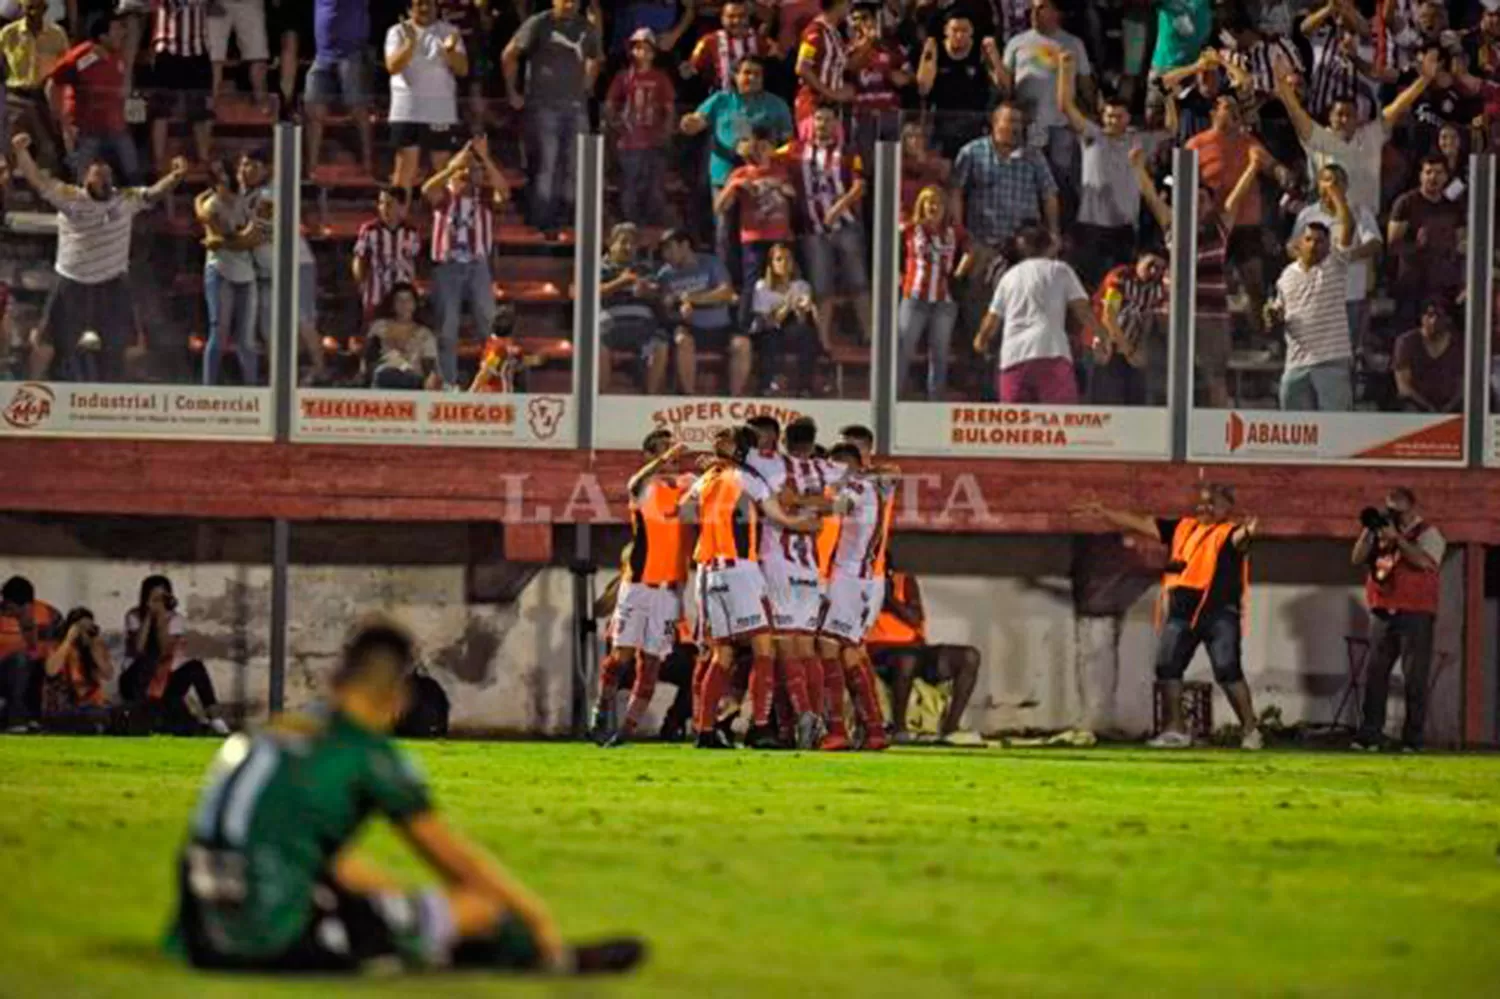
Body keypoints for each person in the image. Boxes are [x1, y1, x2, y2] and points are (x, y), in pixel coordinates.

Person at [168, 614, 645, 975]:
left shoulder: (269, 732)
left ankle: (415, 938)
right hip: (267, 940)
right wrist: (537, 918)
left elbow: (314, 855)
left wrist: (390, 895)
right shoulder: (367, 753)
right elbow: (456, 861)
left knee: (385, 900)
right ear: (398, 696)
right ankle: (549, 960)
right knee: (478, 911)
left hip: (195, 932)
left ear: (338, 679)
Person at [1077, 485, 1263, 750]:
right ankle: (1175, 730)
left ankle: (1250, 730)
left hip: (1219, 614)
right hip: (1181, 613)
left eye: (1213, 504)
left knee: (1227, 670)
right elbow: (1142, 524)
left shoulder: (1228, 532)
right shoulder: (1182, 527)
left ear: (1226, 508)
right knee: (1168, 668)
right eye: (1202, 503)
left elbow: (1241, 540)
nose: (1205, 509)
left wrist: (1249, 532)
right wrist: (1104, 512)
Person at [8, 132, 187, 382]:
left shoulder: (124, 199)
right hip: (72, 281)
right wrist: (21, 152)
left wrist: (175, 176)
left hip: (112, 282)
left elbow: (154, 194)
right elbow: (38, 180)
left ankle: (122, 399)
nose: (104, 180)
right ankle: (30, 394)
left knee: (130, 347)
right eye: (98, 176)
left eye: (107, 176)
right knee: (45, 344)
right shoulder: (70, 197)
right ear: (86, 179)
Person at [680, 424, 817, 750]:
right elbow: (780, 517)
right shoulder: (747, 478)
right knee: (764, 646)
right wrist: (806, 522)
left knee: (722, 652)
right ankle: (759, 728)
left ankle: (705, 729)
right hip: (739, 569)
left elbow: (684, 511)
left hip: (709, 572)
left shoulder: (709, 477)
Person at [1131, 143, 1264, 409]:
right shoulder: (1172, 225)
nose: (1198, 203)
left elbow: (1236, 198)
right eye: (1194, 198)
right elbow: (1151, 197)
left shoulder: (1219, 229)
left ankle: (1217, 431)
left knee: (1215, 378)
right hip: (1171, 315)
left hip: (1210, 316)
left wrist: (1253, 166)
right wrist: (1137, 167)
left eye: (1203, 199)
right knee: (1167, 379)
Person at [594, 432, 690, 746]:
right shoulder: (644, 487)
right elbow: (632, 483)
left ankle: (626, 731)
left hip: (668, 591)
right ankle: (601, 712)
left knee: (651, 662)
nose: (671, 456)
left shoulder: (688, 485)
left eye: (673, 450)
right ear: (649, 454)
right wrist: (661, 463)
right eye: (663, 450)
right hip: (638, 585)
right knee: (621, 656)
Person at [753, 416, 834, 748]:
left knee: (786, 645)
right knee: (806, 646)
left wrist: (792, 503)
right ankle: (815, 719)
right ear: (814, 443)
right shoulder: (822, 469)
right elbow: (831, 505)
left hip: (779, 563)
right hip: (810, 567)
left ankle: (803, 717)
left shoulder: (772, 467)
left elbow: (777, 501)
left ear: (784, 442)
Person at [950, 103, 1060, 348]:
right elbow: (956, 191)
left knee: (1022, 307)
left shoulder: (1034, 156)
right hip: (983, 243)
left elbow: (1049, 195)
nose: (1014, 128)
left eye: (1018, 123)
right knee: (979, 304)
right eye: (1009, 121)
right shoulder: (971, 152)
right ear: (994, 122)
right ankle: (980, 360)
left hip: (1023, 248)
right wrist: (959, 233)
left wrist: (1053, 233)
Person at [1279, 48, 1439, 215]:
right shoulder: (1319, 137)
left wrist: (1424, 80)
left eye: (1349, 115)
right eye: (1339, 114)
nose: (1344, 120)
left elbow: (1398, 106)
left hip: (1365, 221)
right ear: (1330, 117)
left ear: (1357, 118)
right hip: (1327, 222)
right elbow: (1296, 113)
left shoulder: (1372, 135)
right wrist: (1282, 86)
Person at [1350, 488, 1444, 752]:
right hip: (1383, 610)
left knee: (1414, 677)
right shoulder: (1381, 533)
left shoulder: (1428, 533)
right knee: (1376, 674)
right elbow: (1356, 558)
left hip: (1415, 613)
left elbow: (1425, 562)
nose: (1392, 515)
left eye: (1397, 510)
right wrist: (1370, 530)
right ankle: (1370, 734)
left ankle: (1412, 740)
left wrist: (1398, 539)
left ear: (1411, 508)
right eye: (1388, 509)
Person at [817, 441, 893, 752]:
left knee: (830, 647)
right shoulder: (871, 488)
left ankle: (837, 729)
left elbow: (834, 507)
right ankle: (873, 729)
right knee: (851, 651)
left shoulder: (856, 490)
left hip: (851, 579)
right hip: (857, 578)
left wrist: (787, 502)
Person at [502, 0, 602, 236]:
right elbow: (509, 54)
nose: (569, 5)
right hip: (543, 105)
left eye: (574, 1)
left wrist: (585, 87)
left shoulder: (585, 27)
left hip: (576, 106)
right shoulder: (540, 23)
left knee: (575, 165)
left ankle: (567, 219)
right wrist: (512, 91)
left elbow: (595, 57)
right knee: (547, 163)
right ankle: (541, 220)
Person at [973, 225, 1103, 405]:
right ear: (1050, 247)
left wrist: (981, 339)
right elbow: (1082, 308)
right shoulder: (1060, 270)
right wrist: (1101, 335)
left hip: (1013, 357)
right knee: (1061, 424)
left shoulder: (1009, 277)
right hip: (1050, 352)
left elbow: (991, 321)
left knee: (1016, 429)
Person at [1057, 48, 1153, 288]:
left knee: (1123, 286)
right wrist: (1065, 70)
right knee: (1086, 285)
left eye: (1118, 116)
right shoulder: (1093, 135)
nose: (1112, 121)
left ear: (1128, 118)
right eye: (1109, 116)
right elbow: (1066, 106)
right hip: (1091, 226)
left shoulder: (1138, 140)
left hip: (1124, 228)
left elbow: (1171, 129)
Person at [420, 137, 507, 387]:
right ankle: (449, 383)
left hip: (477, 265)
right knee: (447, 328)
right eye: (467, 169)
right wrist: (452, 167)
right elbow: (426, 190)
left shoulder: (486, 196)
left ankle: (491, 380)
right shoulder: (444, 196)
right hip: (448, 266)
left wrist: (486, 160)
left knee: (488, 323)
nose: (470, 174)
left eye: (475, 170)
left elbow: (505, 192)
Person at [866, 567, 983, 747]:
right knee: (907, 659)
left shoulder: (903, 580)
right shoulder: (855, 580)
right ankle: (899, 728)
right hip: (879, 651)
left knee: (969, 656)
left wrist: (890, 599)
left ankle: (951, 728)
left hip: (915, 648)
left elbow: (914, 617)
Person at [1270, 174, 1355, 412]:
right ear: (1299, 243)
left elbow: (1348, 226)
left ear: (1329, 245)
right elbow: (1279, 315)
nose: (1314, 244)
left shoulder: (1335, 264)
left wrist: (1334, 192)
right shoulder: (1286, 275)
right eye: (1308, 239)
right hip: (1295, 364)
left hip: (1331, 363)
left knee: (1334, 430)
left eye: (1320, 241)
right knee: (1294, 432)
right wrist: (1273, 317)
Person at [791, 102, 870, 348]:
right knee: (821, 287)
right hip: (813, 230)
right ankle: (824, 342)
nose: (823, 124)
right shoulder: (795, 151)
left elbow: (860, 186)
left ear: (837, 124)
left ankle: (870, 335)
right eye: (819, 119)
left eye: (828, 119)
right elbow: (768, 155)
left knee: (858, 282)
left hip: (846, 226)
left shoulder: (848, 152)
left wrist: (838, 208)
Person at [679, 55, 793, 218]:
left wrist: (768, 153)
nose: (752, 78)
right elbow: (698, 121)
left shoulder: (776, 104)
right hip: (725, 176)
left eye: (757, 74)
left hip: (763, 181)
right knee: (724, 233)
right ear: (735, 75)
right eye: (747, 73)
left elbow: (788, 142)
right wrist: (689, 123)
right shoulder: (720, 100)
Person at [1289, 164, 1382, 359]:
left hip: (1349, 295)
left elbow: (1374, 243)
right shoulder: (1307, 214)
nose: (1332, 186)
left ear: (1346, 185)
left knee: (1347, 354)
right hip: (1316, 295)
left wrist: (1348, 255)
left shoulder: (1359, 211)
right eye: (1327, 180)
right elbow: (1291, 247)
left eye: (1337, 181)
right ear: (1318, 184)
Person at [119, 575, 230, 735]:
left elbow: (165, 650)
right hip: (136, 680)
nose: (158, 602)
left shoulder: (175, 619)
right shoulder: (134, 616)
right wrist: (149, 616)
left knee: (195, 668)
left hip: (164, 680)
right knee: (148, 660)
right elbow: (139, 649)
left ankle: (216, 720)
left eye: (161, 597)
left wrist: (162, 618)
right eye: (154, 598)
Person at [1003, 0, 1092, 202]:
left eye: (1041, 7)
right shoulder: (1016, 43)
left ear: (1056, 12)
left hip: (1061, 124)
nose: (1034, 13)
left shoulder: (1073, 43)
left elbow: (1086, 84)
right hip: (1029, 124)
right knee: (1030, 176)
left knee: (1061, 177)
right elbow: (1005, 84)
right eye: (1032, 8)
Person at [714, 123, 796, 329]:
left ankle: (784, 325)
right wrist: (733, 186)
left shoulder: (782, 169)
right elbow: (720, 207)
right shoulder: (741, 173)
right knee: (753, 284)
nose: (761, 150)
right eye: (756, 145)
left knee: (784, 281)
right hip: (754, 237)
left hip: (780, 235)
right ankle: (745, 327)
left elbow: (795, 195)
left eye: (765, 145)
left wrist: (784, 188)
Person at [385, 0, 468, 192]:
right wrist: (409, 44)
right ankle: (398, 219)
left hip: (440, 111)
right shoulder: (397, 31)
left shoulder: (450, 31)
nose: (424, 8)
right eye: (418, 4)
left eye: (429, 4)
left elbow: (463, 69)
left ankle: (444, 219)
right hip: (406, 110)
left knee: (444, 171)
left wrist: (449, 52)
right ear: (409, 8)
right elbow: (393, 66)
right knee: (404, 171)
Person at [898, 184, 971, 400]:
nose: (933, 206)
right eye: (929, 201)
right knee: (903, 350)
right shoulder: (911, 228)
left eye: (938, 202)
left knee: (939, 353)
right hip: (914, 296)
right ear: (922, 205)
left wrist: (959, 272)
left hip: (944, 301)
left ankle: (935, 401)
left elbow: (971, 249)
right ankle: (894, 396)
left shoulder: (954, 230)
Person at [48, 11, 137, 183]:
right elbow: (53, 83)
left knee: (132, 171)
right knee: (83, 176)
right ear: (103, 36)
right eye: (117, 29)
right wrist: (61, 119)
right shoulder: (80, 57)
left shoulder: (117, 55)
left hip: (116, 128)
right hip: (86, 130)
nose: (122, 33)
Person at [197, 156, 261, 386]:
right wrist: (229, 240)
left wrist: (225, 241)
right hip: (220, 270)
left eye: (225, 174)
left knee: (246, 338)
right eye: (218, 177)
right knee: (219, 331)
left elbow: (248, 239)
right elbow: (217, 235)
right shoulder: (211, 205)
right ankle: (209, 387)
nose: (223, 180)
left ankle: (252, 388)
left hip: (246, 272)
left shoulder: (243, 201)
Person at [655, 228, 742, 396]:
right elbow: (665, 310)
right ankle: (689, 395)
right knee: (682, 340)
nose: (666, 255)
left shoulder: (711, 263)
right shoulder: (665, 275)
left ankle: (735, 397)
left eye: (670, 248)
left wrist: (694, 298)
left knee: (742, 345)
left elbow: (726, 292)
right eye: (663, 250)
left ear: (685, 245)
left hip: (720, 327)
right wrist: (677, 312)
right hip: (690, 329)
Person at [605, 28, 675, 228]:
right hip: (629, 141)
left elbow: (669, 108)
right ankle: (631, 224)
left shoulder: (660, 78)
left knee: (654, 186)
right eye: (637, 49)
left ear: (653, 53)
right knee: (630, 184)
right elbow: (611, 103)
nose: (641, 53)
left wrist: (666, 132)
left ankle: (652, 225)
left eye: (646, 49)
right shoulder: (623, 77)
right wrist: (615, 123)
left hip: (654, 140)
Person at [1387, 154, 1467, 326]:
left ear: (1446, 176)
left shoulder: (1453, 205)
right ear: (1420, 176)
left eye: (1438, 172)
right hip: (1412, 283)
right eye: (1428, 172)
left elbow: (1462, 242)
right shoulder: (1406, 203)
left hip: (1444, 282)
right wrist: (1417, 245)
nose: (1433, 177)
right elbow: (1393, 245)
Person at [915, 15, 1005, 160]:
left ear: (971, 32)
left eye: (964, 31)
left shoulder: (980, 52)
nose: (959, 35)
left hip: (974, 125)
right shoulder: (937, 51)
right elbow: (923, 88)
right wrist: (928, 55)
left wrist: (994, 57)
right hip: (942, 126)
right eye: (955, 30)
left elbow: (1003, 87)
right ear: (946, 31)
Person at [304, 0, 376, 179]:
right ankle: (311, 167)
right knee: (313, 109)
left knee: (358, 108)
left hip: (351, 54)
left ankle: (368, 164)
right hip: (322, 55)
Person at [1089, 246, 1168, 406]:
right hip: (1106, 342)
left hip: (1133, 345)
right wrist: (1129, 351)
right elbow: (1109, 317)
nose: (1154, 271)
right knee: (1107, 398)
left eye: (1160, 268)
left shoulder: (1157, 286)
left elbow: (1149, 318)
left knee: (1135, 399)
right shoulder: (1121, 277)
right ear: (1140, 259)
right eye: (1150, 264)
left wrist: (1140, 348)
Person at [599, 222, 670, 394]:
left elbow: (660, 293)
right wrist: (622, 282)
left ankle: (649, 398)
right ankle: (600, 399)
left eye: (632, 243)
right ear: (610, 243)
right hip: (609, 328)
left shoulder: (644, 268)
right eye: (623, 242)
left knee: (660, 345)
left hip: (643, 328)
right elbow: (588, 292)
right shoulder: (599, 267)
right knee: (597, 347)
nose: (628, 247)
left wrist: (649, 292)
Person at [0, 0, 69, 175]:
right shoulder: (8, 34)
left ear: (45, 9)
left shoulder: (57, 34)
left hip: (43, 98)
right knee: (12, 147)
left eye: (37, 8)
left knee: (48, 148)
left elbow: (66, 66)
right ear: (22, 8)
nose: (33, 13)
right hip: (15, 97)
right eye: (29, 8)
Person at [148, 0, 215, 170]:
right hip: (168, 47)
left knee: (201, 110)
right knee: (160, 111)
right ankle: (158, 161)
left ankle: (204, 160)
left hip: (198, 47)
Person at [748, 242, 820, 395]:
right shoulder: (762, 287)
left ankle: (805, 387)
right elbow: (769, 322)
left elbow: (801, 320)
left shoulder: (802, 285)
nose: (784, 263)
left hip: (791, 328)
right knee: (770, 339)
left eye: (788, 259)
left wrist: (803, 309)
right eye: (779, 259)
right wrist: (789, 303)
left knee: (806, 334)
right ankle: (766, 385)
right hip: (767, 329)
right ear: (771, 263)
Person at [0, 576, 61, 734]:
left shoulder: (49, 616)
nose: (6, 611)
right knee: (20, 661)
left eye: (10, 606)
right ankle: (16, 720)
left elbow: (50, 653)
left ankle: (34, 719)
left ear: (26, 605)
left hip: (35, 674)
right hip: (5, 673)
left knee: (33, 665)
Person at [353, 186, 423, 323]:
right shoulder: (369, 230)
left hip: (402, 290)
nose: (384, 208)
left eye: (389, 204)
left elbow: (415, 260)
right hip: (376, 290)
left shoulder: (411, 231)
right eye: (381, 203)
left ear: (401, 206)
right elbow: (359, 257)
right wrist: (361, 282)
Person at [42, 606, 113, 727]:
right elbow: (51, 671)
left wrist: (94, 650)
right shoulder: (58, 646)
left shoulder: (95, 646)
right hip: (65, 706)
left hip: (92, 703)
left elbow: (108, 674)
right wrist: (69, 640)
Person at [684, 0, 771, 94]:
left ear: (748, 17)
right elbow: (691, 70)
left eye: (741, 16)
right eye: (731, 16)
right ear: (722, 18)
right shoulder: (709, 41)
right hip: (721, 99)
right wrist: (686, 69)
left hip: (754, 99)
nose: (737, 21)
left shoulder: (759, 40)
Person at [365, 282, 441, 390]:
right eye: (399, 300)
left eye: (408, 300)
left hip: (413, 382)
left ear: (415, 304)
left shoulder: (425, 334)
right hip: (383, 378)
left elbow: (429, 368)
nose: (404, 304)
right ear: (393, 304)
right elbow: (369, 358)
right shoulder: (379, 326)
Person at [1392, 299, 1463, 413]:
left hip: (1452, 406)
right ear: (1421, 318)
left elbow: (1463, 384)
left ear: (1448, 319)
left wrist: (1449, 407)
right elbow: (1403, 386)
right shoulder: (1406, 341)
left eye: (1439, 316)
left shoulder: (1458, 343)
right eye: (1429, 315)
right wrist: (1428, 408)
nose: (1433, 320)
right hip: (1416, 405)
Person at [793, 0, 852, 126]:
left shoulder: (835, 32)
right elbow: (802, 67)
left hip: (832, 107)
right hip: (813, 104)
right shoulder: (814, 32)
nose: (850, 7)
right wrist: (830, 93)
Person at [206, 0, 269, 107]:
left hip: (251, 3)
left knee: (258, 57)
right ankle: (211, 111)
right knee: (214, 59)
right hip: (217, 2)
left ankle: (262, 108)